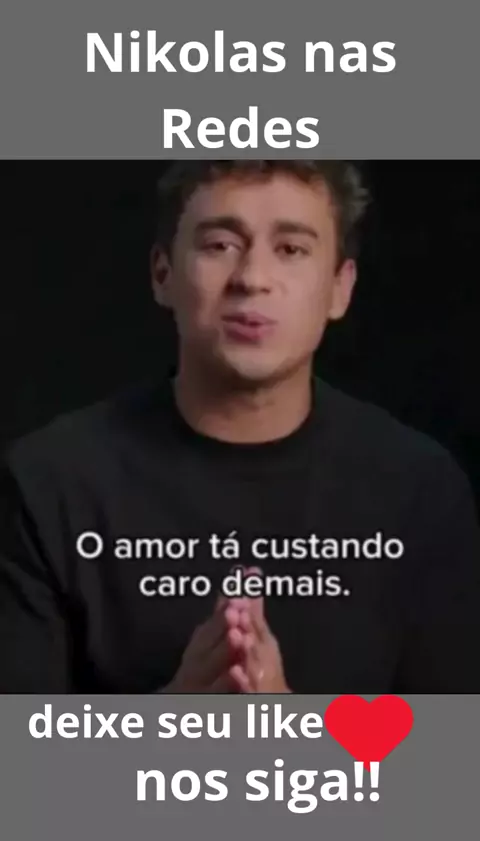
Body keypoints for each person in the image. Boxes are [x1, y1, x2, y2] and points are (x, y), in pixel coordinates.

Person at [0, 159, 479, 695]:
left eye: (291, 249)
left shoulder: (420, 492)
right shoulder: (48, 485)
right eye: (220, 245)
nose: (252, 278)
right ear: (163, 274)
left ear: (339, 288)